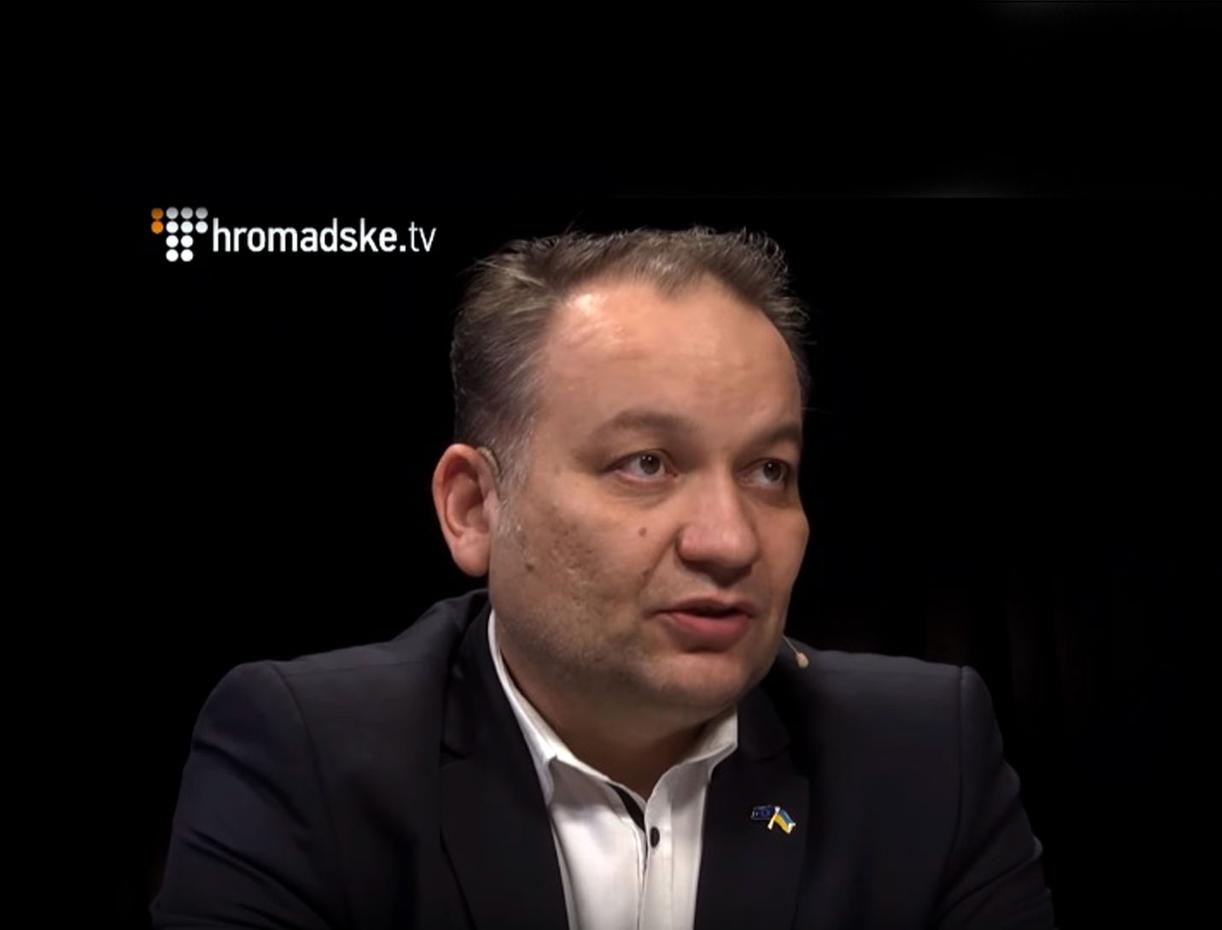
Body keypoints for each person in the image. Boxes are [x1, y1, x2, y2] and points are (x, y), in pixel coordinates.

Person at [152, 227, 1055, 929]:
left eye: (768, 470)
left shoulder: (923, 758)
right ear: (473, 507)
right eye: (646, 463)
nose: (729, 541)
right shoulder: (307, 756)